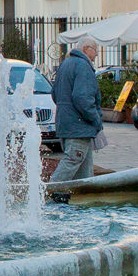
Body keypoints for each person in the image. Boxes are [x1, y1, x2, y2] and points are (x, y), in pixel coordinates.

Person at [50, 38, 103, 184]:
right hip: (79, 125)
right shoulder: (83, 66)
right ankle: (47, 193)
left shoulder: (65, 64)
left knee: (84, 170)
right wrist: (96, 119)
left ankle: (83, 198)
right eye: (95, 49)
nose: (97, 54)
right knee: (73, 159)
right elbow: (82, 98)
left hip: (65, 122)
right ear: (86, 49)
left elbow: (54, 94)